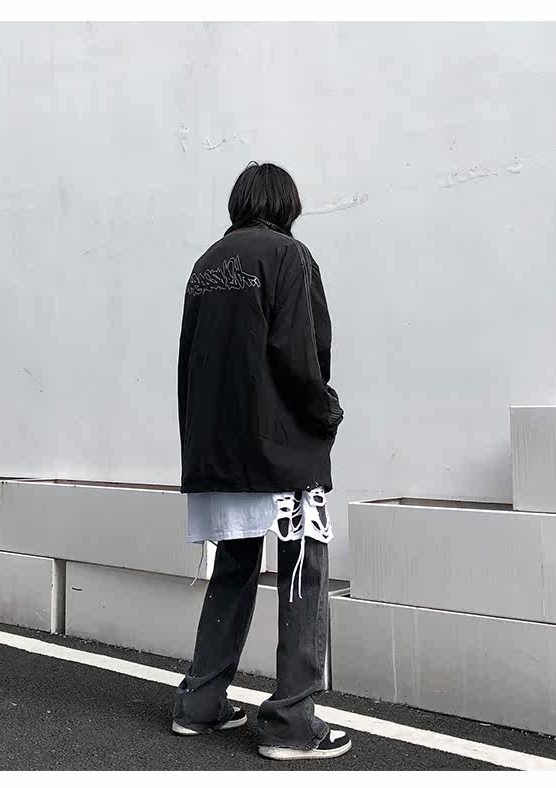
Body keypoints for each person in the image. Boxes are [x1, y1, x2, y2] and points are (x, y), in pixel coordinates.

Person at [172, 161, 350, 761]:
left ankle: (200, 704)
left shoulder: (205, 265)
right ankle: (292, 723)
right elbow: (303, 354)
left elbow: (190, 361)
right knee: (303, 572)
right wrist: (326, 412)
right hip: (279, 446)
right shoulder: (289, 257)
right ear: (287, 205)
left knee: (235, 566)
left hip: (219, 450)